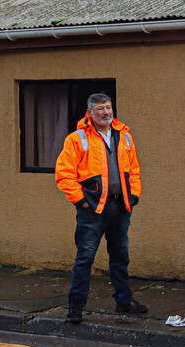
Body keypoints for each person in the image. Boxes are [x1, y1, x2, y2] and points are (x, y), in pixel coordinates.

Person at [54, 93, 147, 323]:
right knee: (85, 257)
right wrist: (82, 201)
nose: (106, 112)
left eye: (108, 107)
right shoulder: (77, 139)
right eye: (100, 109)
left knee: (120, 256)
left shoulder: (124, 134)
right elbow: (64, 175)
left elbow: (134, 169)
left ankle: (124, 301)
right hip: (93, 209)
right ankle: (76, 307)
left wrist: (134, 196)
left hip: (121, 206)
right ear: (90, 113)